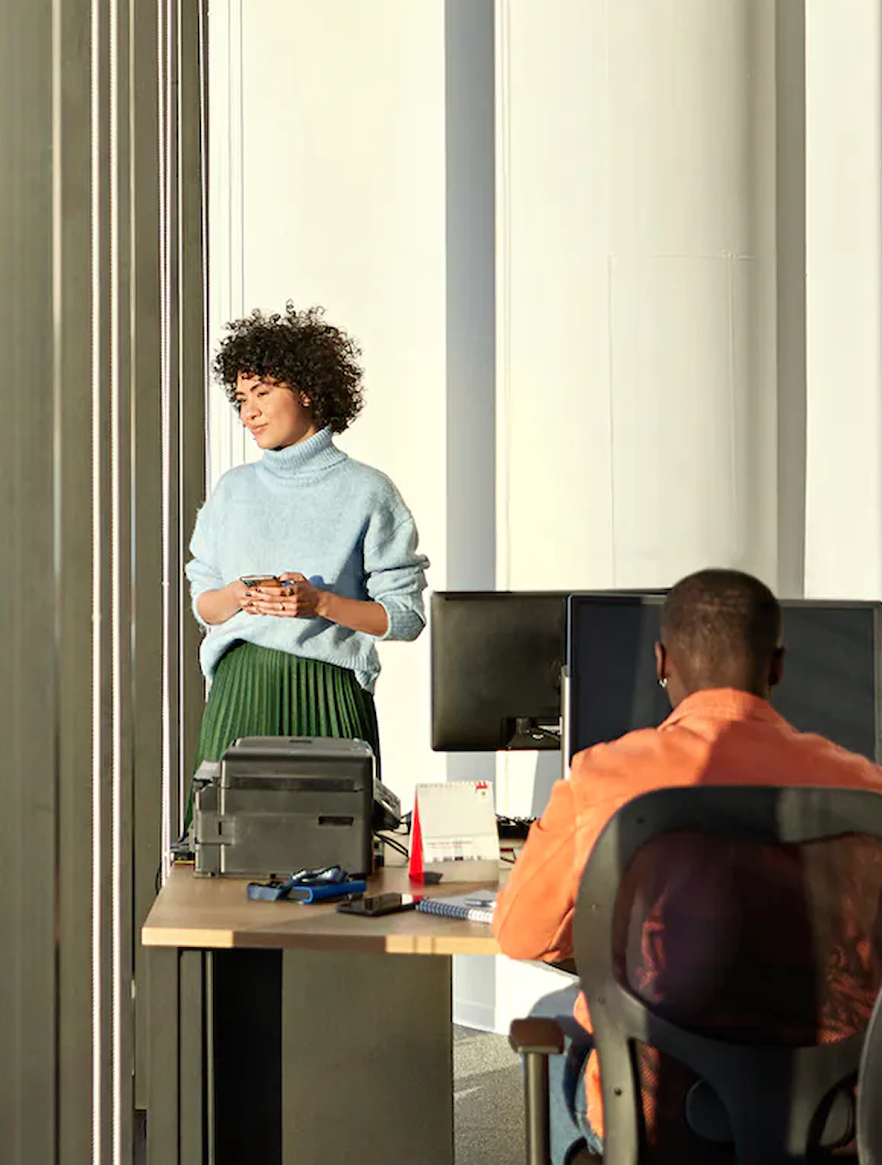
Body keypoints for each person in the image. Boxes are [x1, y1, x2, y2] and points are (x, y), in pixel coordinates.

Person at [494, 568, 882, 1163]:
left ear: (660, 662)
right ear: (776, 667)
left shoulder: (603, 777)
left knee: (555, 1028)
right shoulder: (865, 792)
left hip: (657, 1114)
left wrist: (614, 934)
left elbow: (520, 934)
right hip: (828, 1119)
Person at [184, 304, 429, 824]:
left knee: (338, 861)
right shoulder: (232, 491)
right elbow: (205, 604)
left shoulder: (368, 491)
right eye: (240, 398)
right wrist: (237, 595)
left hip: (331, 695)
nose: (247, 411)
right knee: (225, 866)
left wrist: (319, 603)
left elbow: (403, 619)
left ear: (309, 391)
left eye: (262, 392)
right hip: (240, 694)